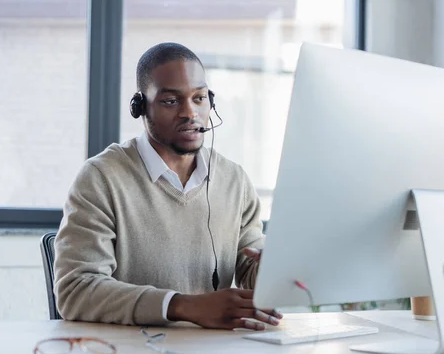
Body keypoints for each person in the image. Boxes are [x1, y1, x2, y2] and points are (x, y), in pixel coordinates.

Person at [54, 42, 282, 330]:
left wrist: (280, 268)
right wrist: (183, 306)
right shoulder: (101, 178)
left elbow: (253, 273)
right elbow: (75, 291)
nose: (190, 112)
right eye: (171, 101)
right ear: (140, 107)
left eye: (199, 98)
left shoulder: (233, 180)